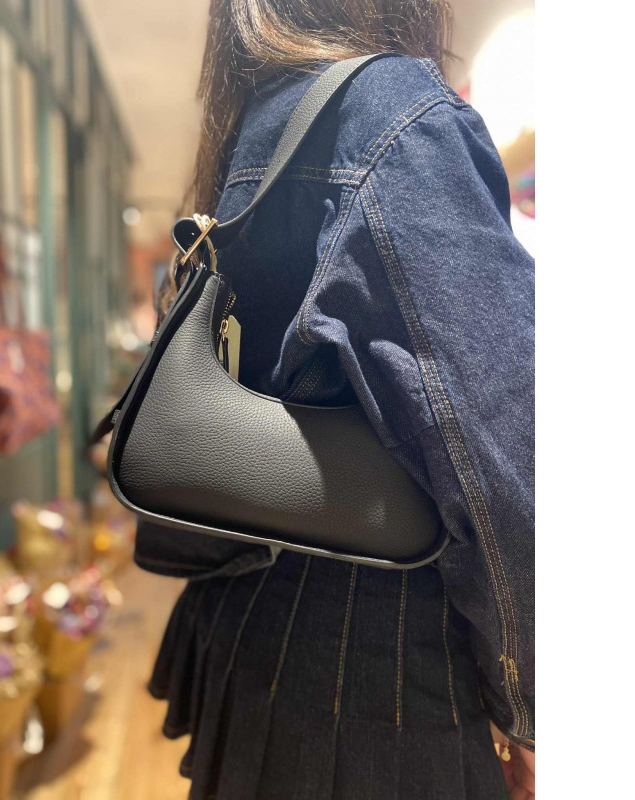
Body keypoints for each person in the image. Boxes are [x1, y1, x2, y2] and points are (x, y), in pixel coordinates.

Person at [138, 1, 535, 797]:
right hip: (389, 681)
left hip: (251, 644)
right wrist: (532, 702)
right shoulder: (391, 113)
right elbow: (504, 479)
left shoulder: (257, 126)